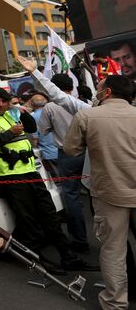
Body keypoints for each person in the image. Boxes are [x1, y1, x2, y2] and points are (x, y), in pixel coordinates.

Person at [0, 86, 95, 274]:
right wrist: (10, 133)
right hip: (10, 176)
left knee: (49, 215)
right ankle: (39, 262)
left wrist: (21, 112)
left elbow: (31, 128)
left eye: (4, 101)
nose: (0, 104)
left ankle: (68, 257)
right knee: (28, 220)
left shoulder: (10, 114)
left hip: (30, 171)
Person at [64, 75, 136, 309]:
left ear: (107, 93)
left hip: (109, 193)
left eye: (99, 88)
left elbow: (71, 149)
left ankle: (115, 303)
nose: (96, 90)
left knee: (113, 251)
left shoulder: (87, 115)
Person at [31, 89, 89, 253]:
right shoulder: (81, 103)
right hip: (88, 153)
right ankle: (103, 238)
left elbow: (43, 130)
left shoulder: (50, 107)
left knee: (71, 196)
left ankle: (80, 240)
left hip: (66, 154)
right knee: (95, 194)